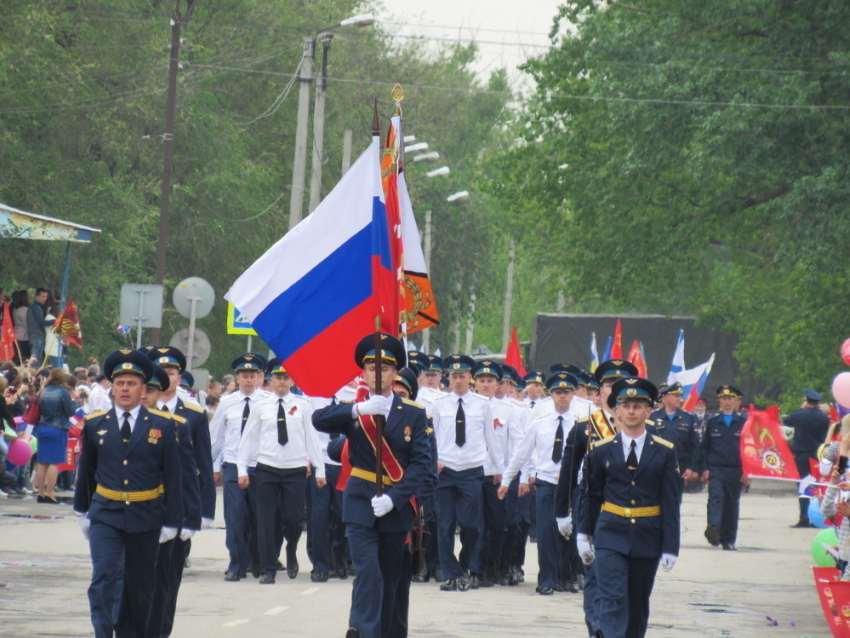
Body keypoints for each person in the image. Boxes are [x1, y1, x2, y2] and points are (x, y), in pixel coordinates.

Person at [312, 333, 431, 638]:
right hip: (360, 503)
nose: (378, 374)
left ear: (395, 373)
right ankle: (365, 632)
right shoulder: (355, 410)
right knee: (369, 574)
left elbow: (420, 465)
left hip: (396, 506)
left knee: (391, 581)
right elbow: (319, 419)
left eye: (385, 368)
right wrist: (357, 410)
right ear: (363, 373)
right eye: (372, 368)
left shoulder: (414, 414)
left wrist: (394, 499)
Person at [73, 349, 183, 638]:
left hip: (146, 517)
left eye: (131, 383)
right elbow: (87, 471)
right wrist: (81, 511)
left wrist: (173, 521)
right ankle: (102, 631)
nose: (124, 389)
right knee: (104, 576)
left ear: (143, 388)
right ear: (112, 387)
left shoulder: (161, 425)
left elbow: (173, 476)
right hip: (106, 514)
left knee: (139, 587)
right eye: (119, 383)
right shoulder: (96, 424)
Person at [581, 377, 680, 638]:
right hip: (610, 535)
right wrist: (583, 534)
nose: (632, 411)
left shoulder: (665, 452)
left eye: (638, 406)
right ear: (618, 410)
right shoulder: (600, 451)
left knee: (637, 604)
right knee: (612, 598)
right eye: (626, 406)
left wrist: (671, 546)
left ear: (649, 411)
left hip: (648, 536)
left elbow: (671, 502)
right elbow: (591, 496)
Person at [146, 346, 214, 638]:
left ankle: (161, 631)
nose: (165, 377)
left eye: (171, 372)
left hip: (180, 508)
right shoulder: (140, 409)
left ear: (179, 376)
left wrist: (202, 513)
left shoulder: (195, 415)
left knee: (168, 579)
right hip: (142, 504)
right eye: (160, 372)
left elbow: (202, 466)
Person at [237, 357, 322, 584]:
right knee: (266, 519)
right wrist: (241, 468)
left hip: (294, 468)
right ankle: (267, 569)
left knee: (293, 519)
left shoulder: (303, 405)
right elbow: (248, 439)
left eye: (286, 378)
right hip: (267, 467)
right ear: (270, 380)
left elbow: (311, 438)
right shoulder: (260, 405)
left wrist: (319, 468)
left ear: (293, 381)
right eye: (277, 378)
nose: (282, 382)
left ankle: (291, 548)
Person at [499, 372, 577, 595]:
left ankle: (567, 575)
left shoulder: (582, 425)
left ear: (572, 395)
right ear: (550, 395)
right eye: (558, 392)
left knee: (570, 531)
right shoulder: (540, 423)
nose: (562, 397)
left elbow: (588, 456)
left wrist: (575, 474)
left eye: (566, 392)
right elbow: (521, 454)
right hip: (545, 483)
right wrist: (507, 480)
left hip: (571, 486)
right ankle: (548, 579)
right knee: (545, 532)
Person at [431, 354, 502, 592]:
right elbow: (433, 438)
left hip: (472, 470)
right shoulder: (439, 405)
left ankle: (463, 565)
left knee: (471, 525)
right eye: (454, 376)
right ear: (448, 378)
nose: (458, 380)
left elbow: (491, 439)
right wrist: (434, 461)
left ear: (470, 378)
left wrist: (499, 469)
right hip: (446, 470)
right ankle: (452, 574)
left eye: (462, 376)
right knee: (445, 525)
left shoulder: (482, 405)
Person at [209, 353, 269, 581]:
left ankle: (257, 560)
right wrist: (212, 466)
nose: (248, 380)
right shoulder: (227, 403)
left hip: (259, 464)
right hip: (233, 465)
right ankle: (236, 563)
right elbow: (216, 437)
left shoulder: (267, 402)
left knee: (257, 517)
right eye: (244, 375)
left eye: (252, 375)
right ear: (237, 378)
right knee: (235, 517)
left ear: (259, 377)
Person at [700, 385, 750, 550]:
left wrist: (747, 472)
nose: (727, 402)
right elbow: (705, 447)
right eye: (724, 398)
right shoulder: (713, 421)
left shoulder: (743, 422)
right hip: (716, 468)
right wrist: (705, 468)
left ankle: (728, 540)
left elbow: (749, 449)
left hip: (735, 469)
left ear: (735, 401)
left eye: (730, 398)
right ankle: (714, 529)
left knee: (732, 504)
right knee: (715, 498)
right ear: (720, 400)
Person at [786, 388, 831, 528]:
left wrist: (801, 409)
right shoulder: (823, 417)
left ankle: (804, 518)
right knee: (817, 486)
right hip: (817, 456)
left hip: (802, 455)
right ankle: (816, 519)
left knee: (803, 485)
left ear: (806, 401)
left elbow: (786, 420)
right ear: (818, 403)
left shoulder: (800, 415)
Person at [650, 382, 700, 501]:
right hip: (656, 466)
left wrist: (691, 467)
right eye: (676, 396)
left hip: (679, 466)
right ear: (665, 398)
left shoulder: (689, 418)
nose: (679, 399)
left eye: (680, 396)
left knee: (674, 501)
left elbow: (694, 445)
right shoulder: (653, 417)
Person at [35, 367, 76, 503]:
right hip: (57, 428)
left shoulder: (43, 391)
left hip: (42, 427)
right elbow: (70, 412)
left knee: (42, 462)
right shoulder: (63, 393)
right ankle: (49, 493)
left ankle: (40, 493)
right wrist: (74, 401)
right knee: (54, 462)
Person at [26, 288, 53, 362]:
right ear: (37, 296)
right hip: (37, 336)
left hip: (34, 336)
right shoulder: (35, 308)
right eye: (43, 297)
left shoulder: (35, 307)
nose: (45, 299)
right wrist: (54, 321)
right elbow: (41, 322)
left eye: (46, 297)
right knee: (35, 360)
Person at [11, 290, 30, 363]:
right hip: (23, 336)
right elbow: (26, 324)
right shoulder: (24, 310)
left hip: (16, 333)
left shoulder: (15, 309)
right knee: (24, 357)